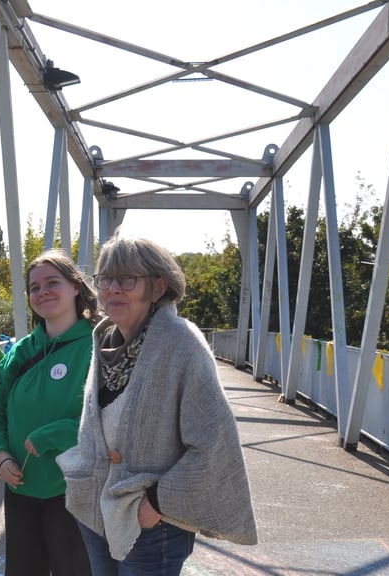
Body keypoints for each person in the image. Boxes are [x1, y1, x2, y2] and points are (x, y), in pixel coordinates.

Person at [57, 232, 257, 575]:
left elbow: (215, 443)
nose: (113, 289)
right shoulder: (106, 341)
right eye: (105, 279)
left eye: (127, 279)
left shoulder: (181, 343)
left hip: (151, 525)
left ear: (158, 288)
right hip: (94, 510)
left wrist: (155, 505)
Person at [0, 249, 97, 576]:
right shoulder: (20, 351)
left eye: (52, 282)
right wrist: (0, 455)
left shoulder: (98, 346)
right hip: (20, 488)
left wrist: (52, 435)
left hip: (75, 490)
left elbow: (111, 418)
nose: (42, 291)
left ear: (75, 287)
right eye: (34, 287)